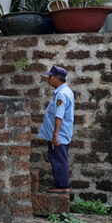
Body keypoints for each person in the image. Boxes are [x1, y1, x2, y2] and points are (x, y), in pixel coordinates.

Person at [38, 65, 74, 193]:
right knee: (57, 158)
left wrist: (55, 135)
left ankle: (63, 187)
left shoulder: (62, 94)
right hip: (60, 133)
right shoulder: (63, 91)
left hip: (60, 134)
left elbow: (59, 116)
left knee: (59, 159)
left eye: (50, 76)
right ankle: (60, 185)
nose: (48, 78)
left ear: (57, 78)